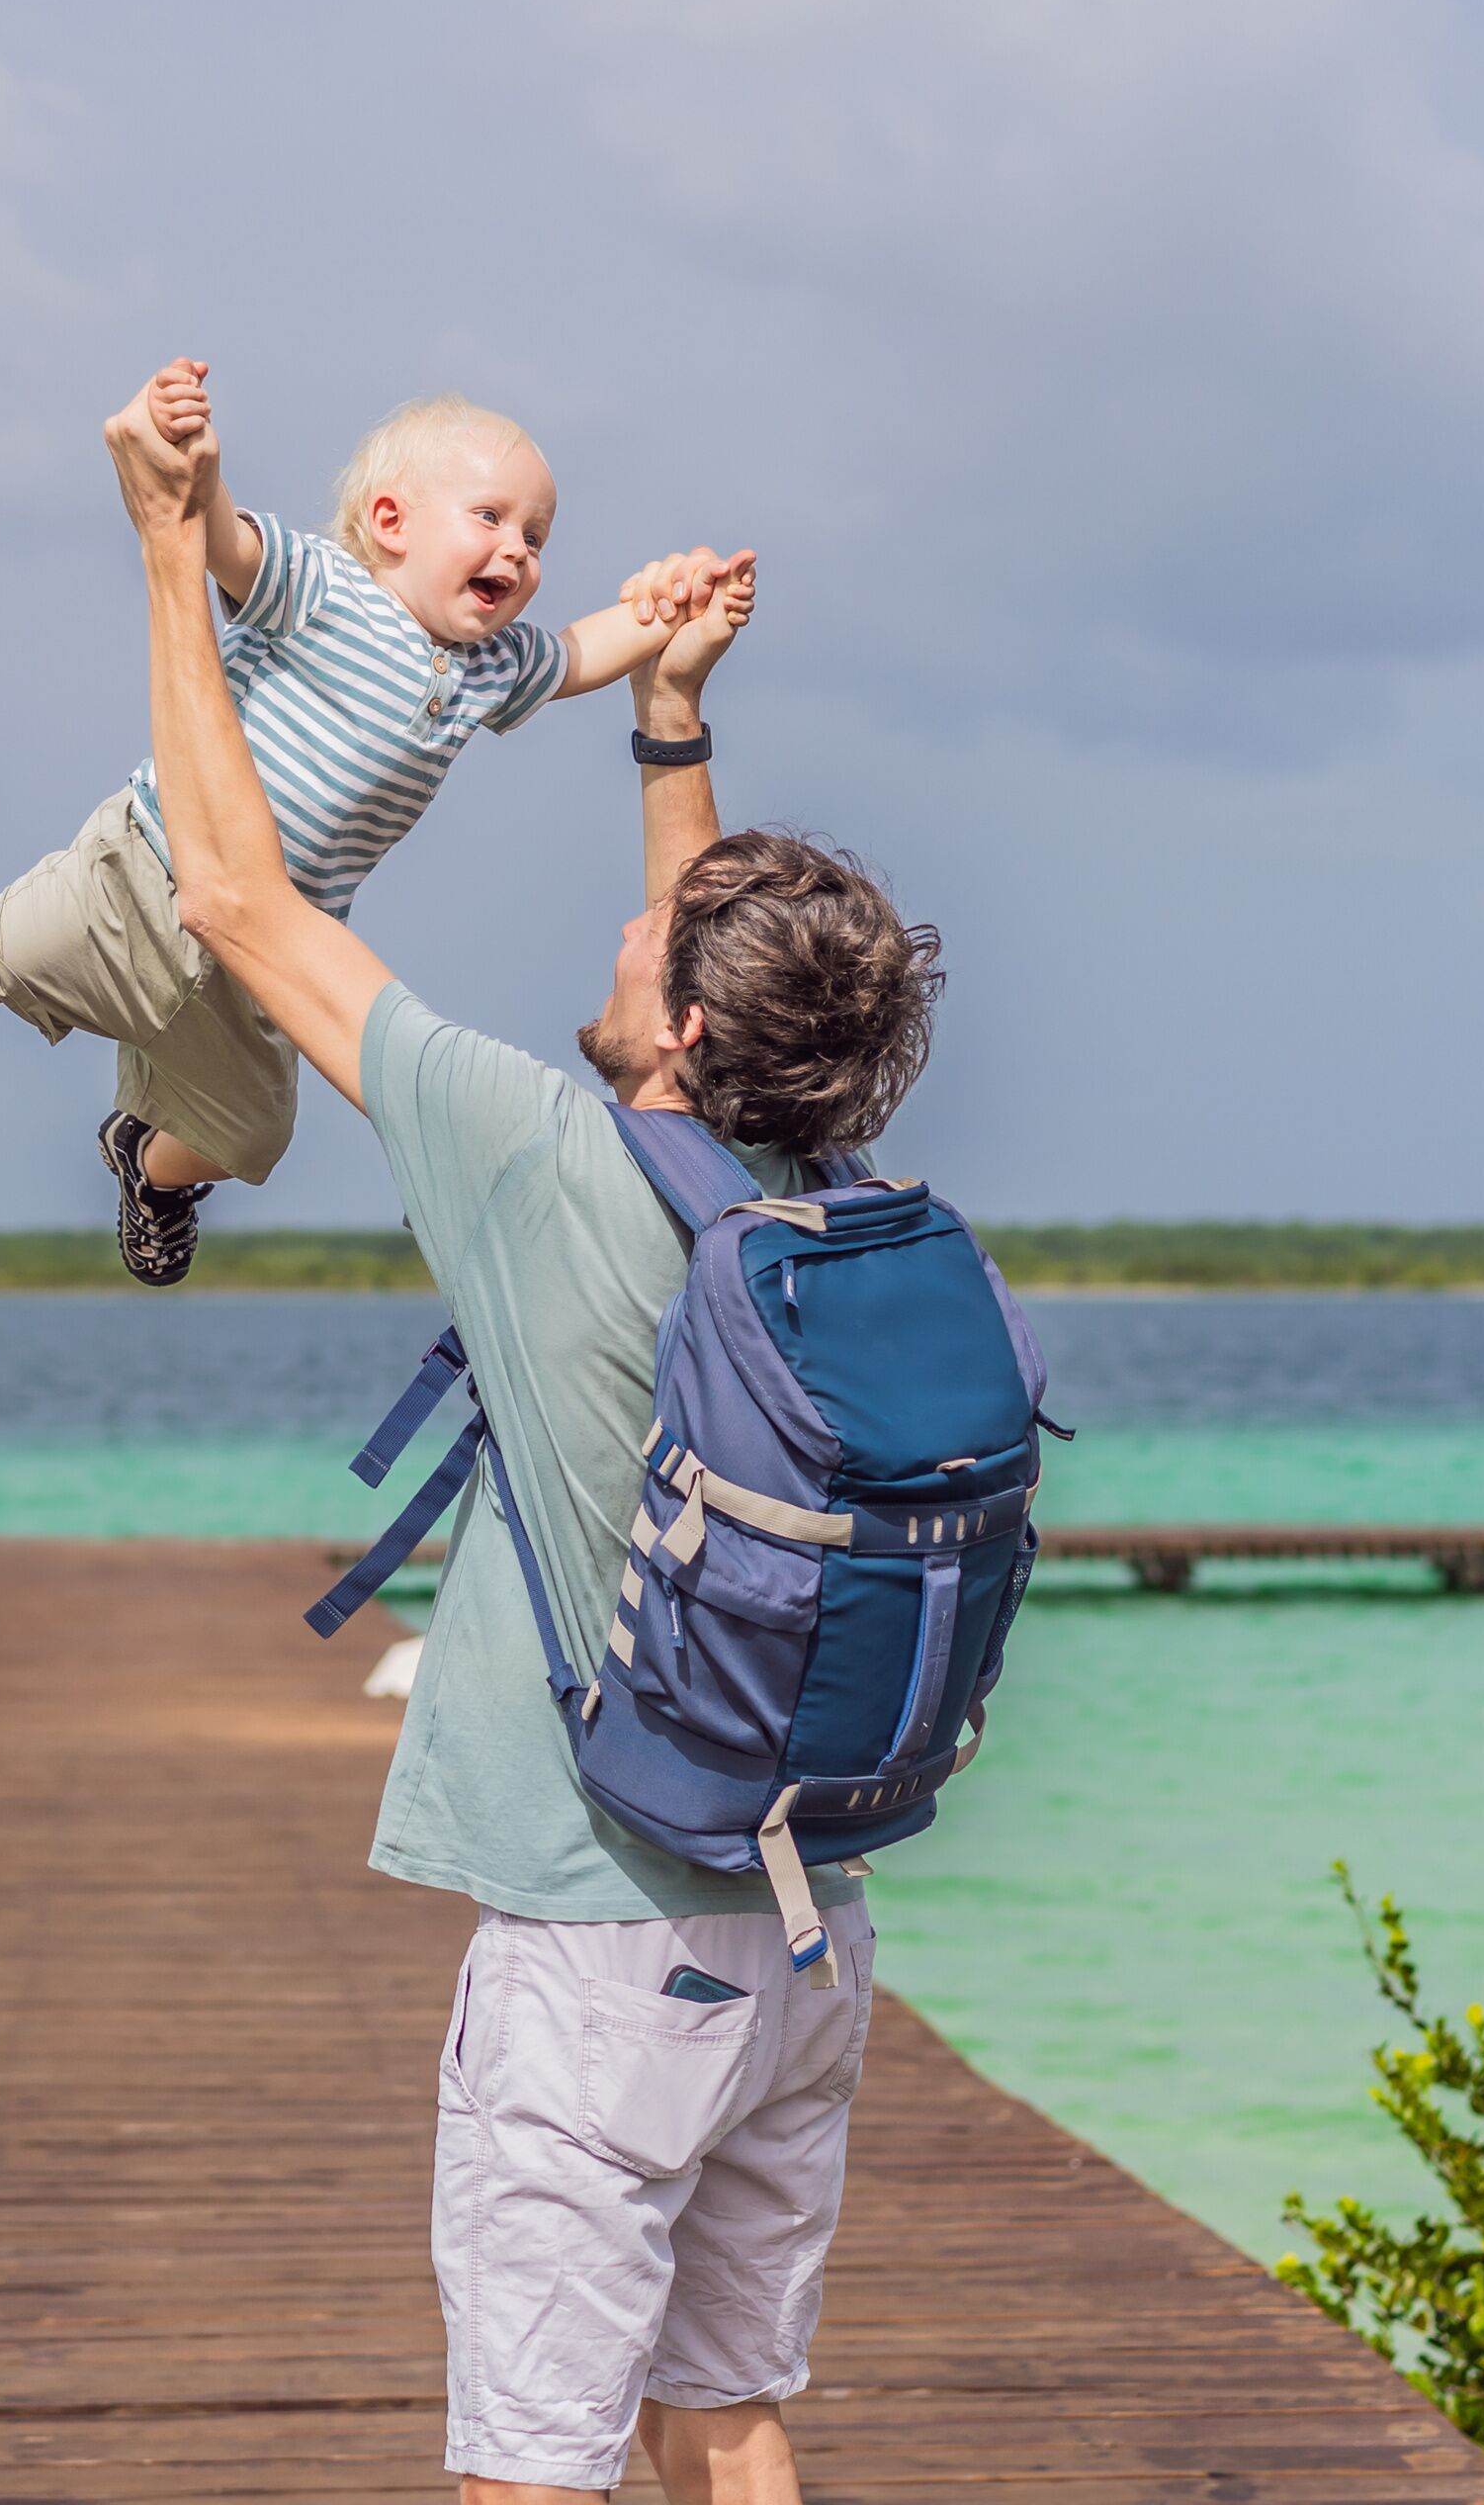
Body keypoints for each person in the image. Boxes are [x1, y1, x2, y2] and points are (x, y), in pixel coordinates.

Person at [105, 384, 946, 2502]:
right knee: (728, 2414)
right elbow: (710, 959)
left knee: (533, 2462)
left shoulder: (532, 1155)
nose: (625, 927)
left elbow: (225, 885)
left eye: (647, 943)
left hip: (602, 1941)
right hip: (807, 1919)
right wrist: (669, 721)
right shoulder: (813, 1197)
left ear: (673, 1027)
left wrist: (160, 543)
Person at [0, 361, 744, 1285]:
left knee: (248, 1138)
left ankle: (144, 1168)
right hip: (149, 871)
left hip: (271, 949)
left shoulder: (491, 670)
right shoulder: (325, 590)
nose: (519, 552)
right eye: (491, 519)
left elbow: (587, 651)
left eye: (537, 538)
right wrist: (193, 467)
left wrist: (680, 606)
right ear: (390, 523)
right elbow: (223, 543)